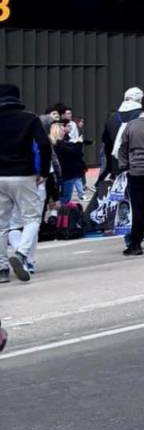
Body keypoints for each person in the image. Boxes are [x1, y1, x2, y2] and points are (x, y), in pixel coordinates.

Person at [0, 83, 53, 284]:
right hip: (23, 174)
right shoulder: (29, 118)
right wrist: (43, 171)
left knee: (1, 225)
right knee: (31, 218)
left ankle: (2, 269)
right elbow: (44, 144)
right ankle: (21, 254)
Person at [117, 92, 144, 258]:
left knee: (138, 209)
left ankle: (135, 244)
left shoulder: (132, 125)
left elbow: (123, 147)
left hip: (136, 171)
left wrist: (125, 166)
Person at [100, 87, 144, 187]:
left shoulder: (112, 117)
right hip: (138, 166)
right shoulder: (142, 115)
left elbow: (106, 144)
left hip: (116, 165)